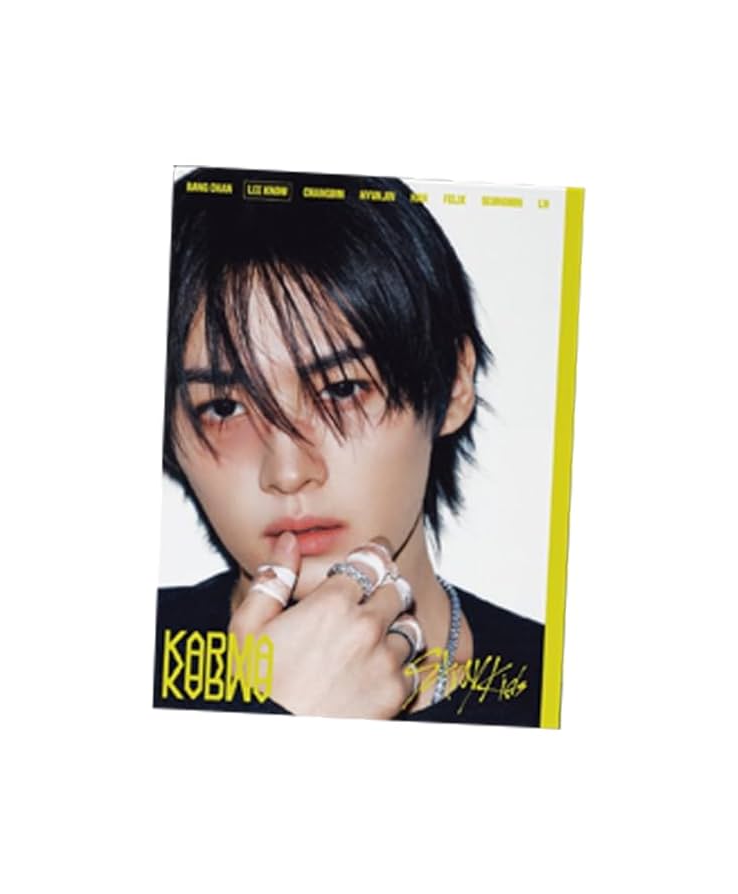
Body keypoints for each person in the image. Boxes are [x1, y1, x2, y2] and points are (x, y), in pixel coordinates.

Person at [153, 167, 544, 726]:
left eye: (341, 390)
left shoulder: (552, 688)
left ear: (454, 385)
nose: (288, 471)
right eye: (224, 407)